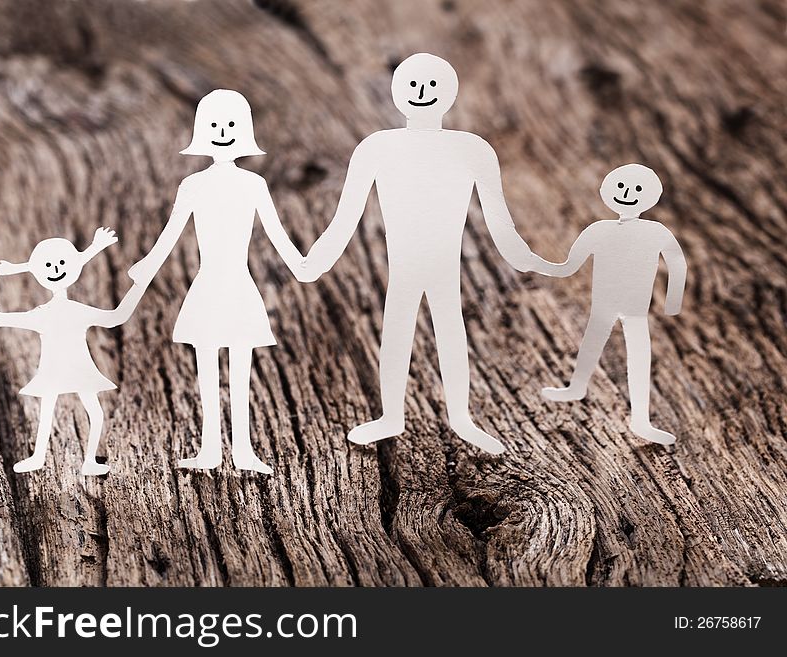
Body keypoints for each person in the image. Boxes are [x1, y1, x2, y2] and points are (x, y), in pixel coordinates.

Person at [299, 53, 548, 455]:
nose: (422, 93)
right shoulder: (377, 147)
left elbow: (501, 221)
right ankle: (390, 417)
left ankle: (462, 419)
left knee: (451, 331)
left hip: (445, 265)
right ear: (397, 93)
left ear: (449, 94)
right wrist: (317, 260)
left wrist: (530, 260)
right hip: (404, 264)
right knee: (397, 331)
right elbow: (344, 217)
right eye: (413, 85)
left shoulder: (472, 149)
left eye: (432, 86)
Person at [128, 89, 304, 474]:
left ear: (243, 132)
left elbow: (277, 235)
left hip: (240, 287)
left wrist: (301, 265)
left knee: (240, 372)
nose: (222, 132)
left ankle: (242, 449)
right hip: (207, 288)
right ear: (201, 132)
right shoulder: (192, 186)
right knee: (207, 371)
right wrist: (147, 264)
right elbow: (170, 234)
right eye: (214, 125)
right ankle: (210, 448)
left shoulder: (254, 185)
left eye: (230, 125)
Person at [536, 163, 687, 445]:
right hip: (603, 306)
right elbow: (569, 267)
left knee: (639, 358)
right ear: (606, 189)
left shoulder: (656, 233)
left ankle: (640, 419)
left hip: (636, 310)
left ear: (651, 197)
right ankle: (576, 387)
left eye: (637, 189)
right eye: (621, 186)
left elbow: (678, 264)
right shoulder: (597, 230)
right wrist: (537, 264)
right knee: (590, 345)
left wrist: (673, 301)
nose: (628, 193)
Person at [0, 227, 147, 475]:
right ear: (38, 272)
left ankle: (85, 461)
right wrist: (137, 285)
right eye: (48, 265)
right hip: (62, 370)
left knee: (83, 413)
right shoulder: (49, 314)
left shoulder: (57, 313)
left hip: (74, 369)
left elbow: (116, 317)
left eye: (60, 263)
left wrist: (136, 285)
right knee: (58, 413)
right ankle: (43, 458)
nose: (56, 270)